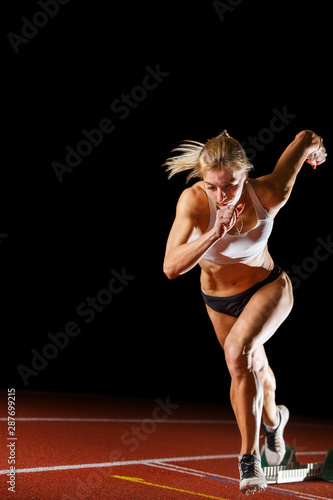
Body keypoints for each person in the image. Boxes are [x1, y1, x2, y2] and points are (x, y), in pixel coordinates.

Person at [162, 129, 327, 494]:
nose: (222, 196)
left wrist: (318, 150)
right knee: (254, 368)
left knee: (238, 355)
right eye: (213, 186)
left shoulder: (269, 192)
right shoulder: (193, 203)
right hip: (218, 301)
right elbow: (171, 267)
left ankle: (248, 458)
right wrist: (213, 233)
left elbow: (304, 138)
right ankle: (275, 420)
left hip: (268, 287)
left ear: (245, 175)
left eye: (231, 186)